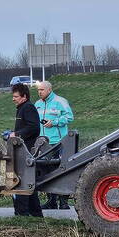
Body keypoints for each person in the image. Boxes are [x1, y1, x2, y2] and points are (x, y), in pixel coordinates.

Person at [34, 80, 74, 209]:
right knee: (47, 171)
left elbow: (69, 117)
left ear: (49, 90)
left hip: (59, 142)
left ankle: (64, 202)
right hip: (44, 143)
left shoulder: (60, 101)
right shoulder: (37, 104)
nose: (39, 92)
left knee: (62, 170)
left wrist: (54, 122)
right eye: (38, 90)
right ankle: (51, 201)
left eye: (42, 90)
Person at [6, 83, 43, 218]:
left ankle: (22, 213)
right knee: (28, 183)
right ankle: (35, 214)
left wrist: (16, 134)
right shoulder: (22, 108)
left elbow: (34, 127)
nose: (13, 99)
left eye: (16, 96)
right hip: (22, 150)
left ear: (24, 97)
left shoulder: (28, 108)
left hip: (26, 151)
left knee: (22, 182)